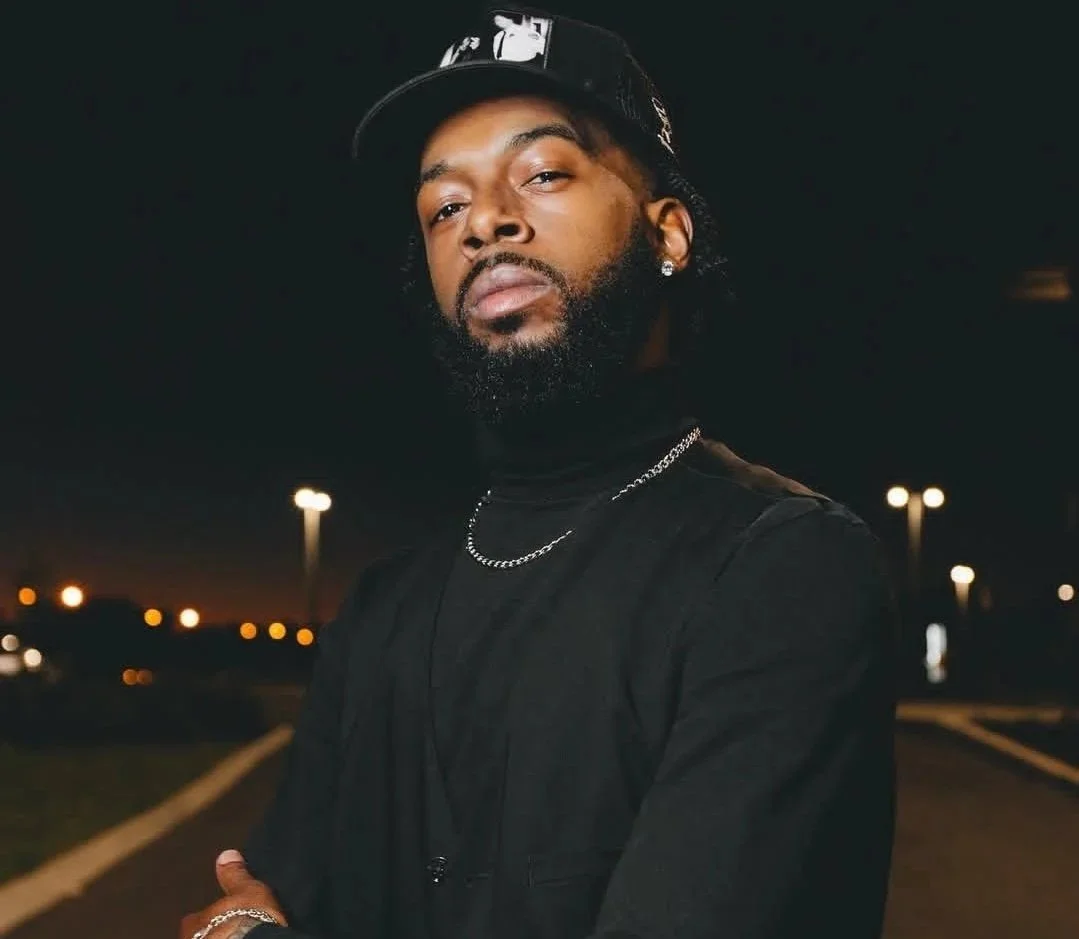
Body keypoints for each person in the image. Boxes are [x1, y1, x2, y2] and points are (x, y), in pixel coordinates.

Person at [180, 6, 898, 939]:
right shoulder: (382, 609)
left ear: (668, 234)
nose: (485, 219)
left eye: (543, 172)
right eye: (443, 206)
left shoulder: (786, 568)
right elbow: (269, 898)